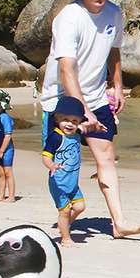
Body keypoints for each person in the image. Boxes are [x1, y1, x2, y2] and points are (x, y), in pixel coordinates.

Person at [38, 0, 140, 238]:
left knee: (106, 156)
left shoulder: (113, 14)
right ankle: (68, 213)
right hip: (62, 100)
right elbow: (66, 68)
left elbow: (114, 51)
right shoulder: (68, 18)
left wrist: (118, 86)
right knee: (64, 162)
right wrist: (82, 109)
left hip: (97, 96)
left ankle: (119, 222)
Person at [42, 96, 88, 246]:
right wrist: (51, 166)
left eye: (75, 121)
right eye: (66, 120)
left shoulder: (76, 135)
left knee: (80, 207)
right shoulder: (55, 137)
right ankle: (65, 238)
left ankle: (64, 225)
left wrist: (95, 128)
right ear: (57, 118)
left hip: (72, 182)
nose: (70, 124)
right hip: (59, 183)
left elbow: (88, 137)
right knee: (65, 211)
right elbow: (46, 156)